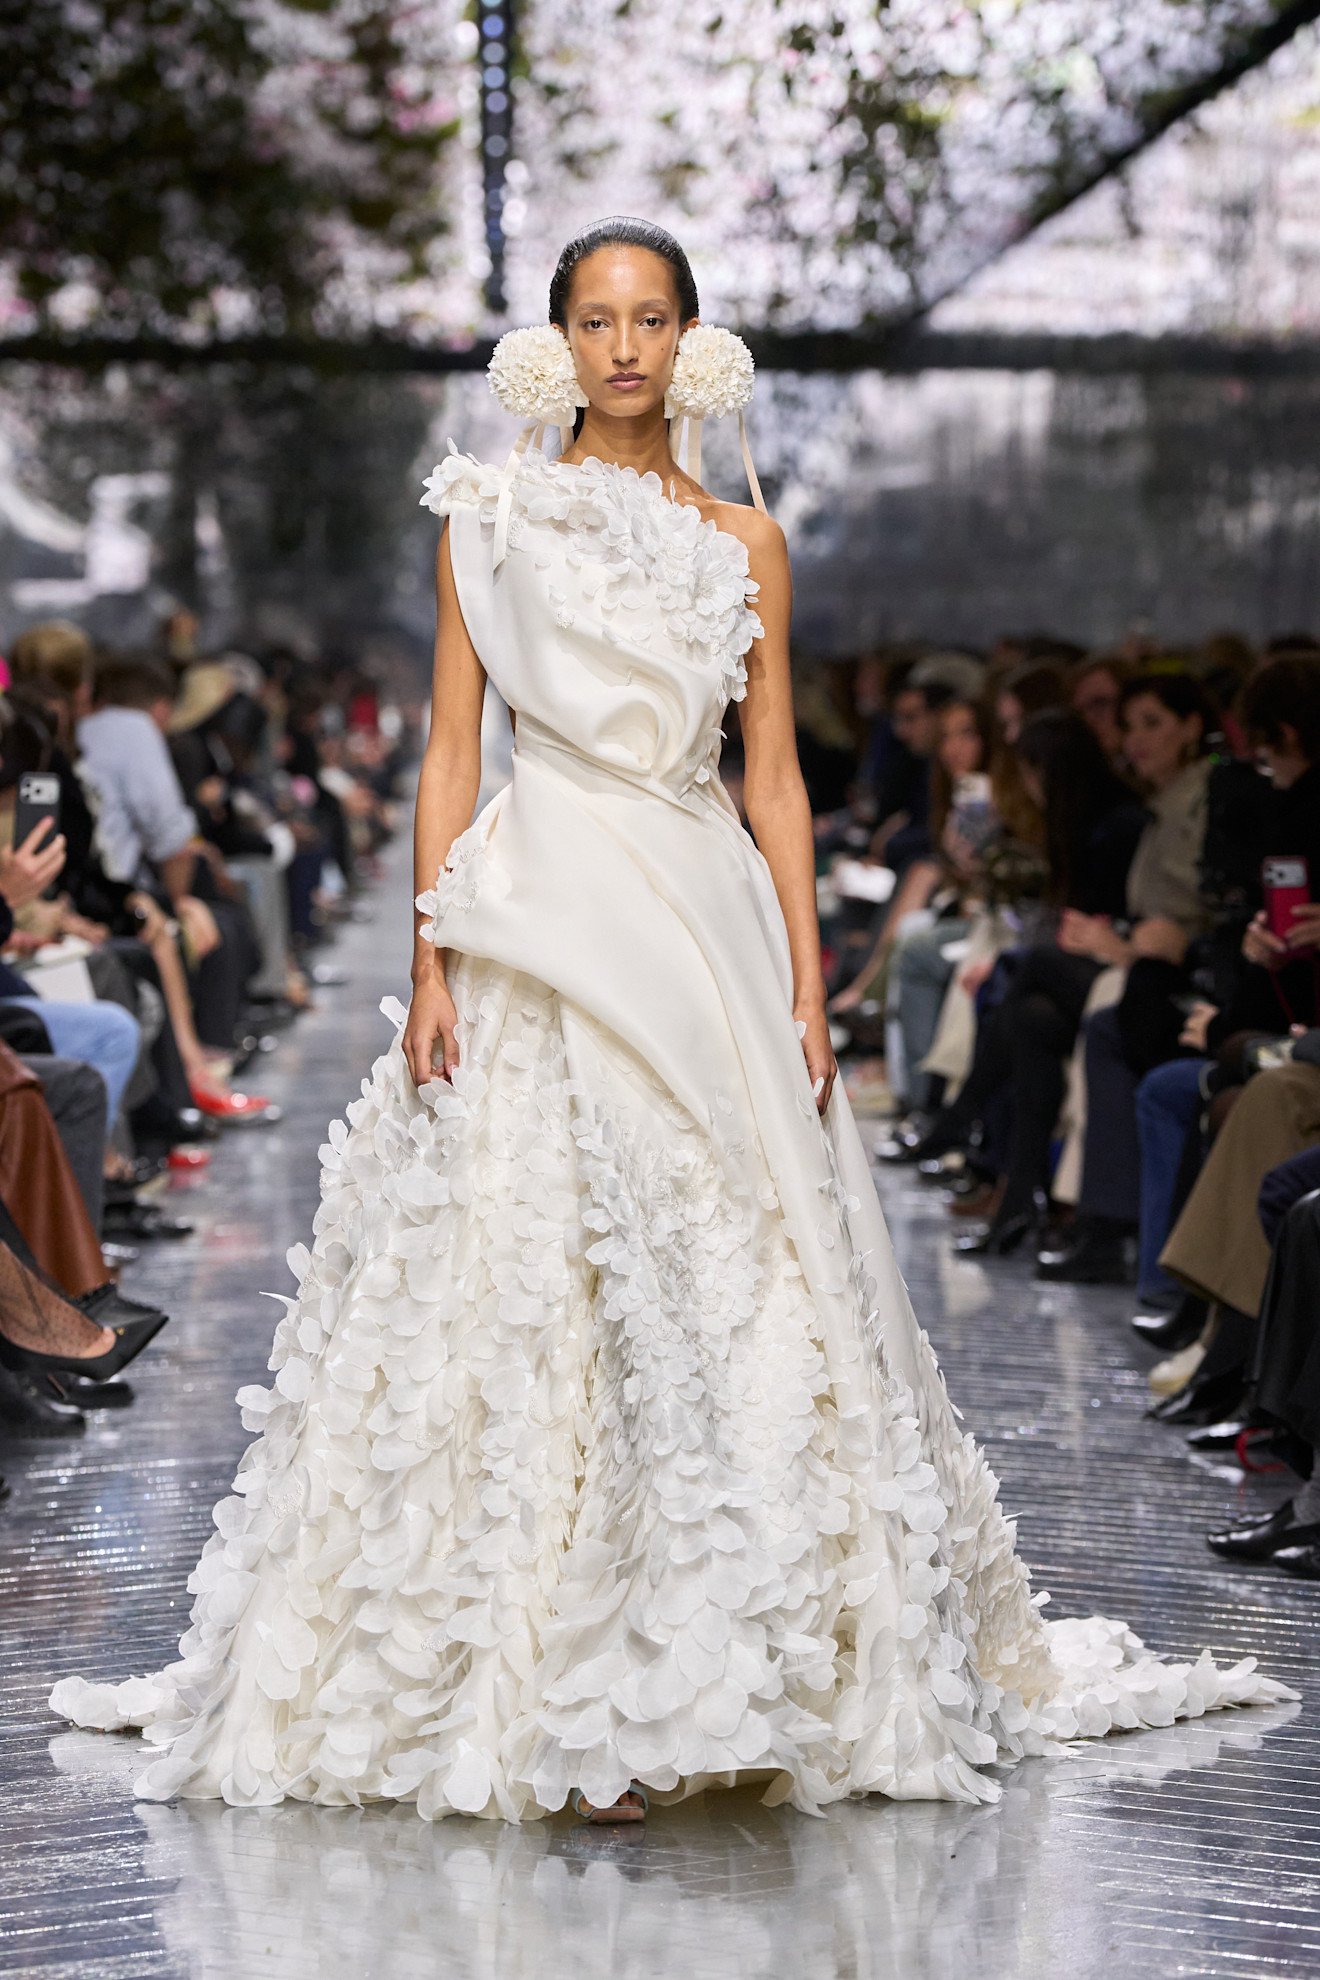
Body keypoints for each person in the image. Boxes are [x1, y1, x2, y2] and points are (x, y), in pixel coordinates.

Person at [49, 217, 1290, 1826]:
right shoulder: (488, 515)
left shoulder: (745, 540)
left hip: (701, 919)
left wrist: (807, 975)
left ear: (692, 339)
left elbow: (773, 778)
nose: (624, 347)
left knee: (727, 1261)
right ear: (557, 341)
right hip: (537, 908)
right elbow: (450, 754)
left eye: (650, 319)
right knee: (535, 1267)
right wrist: (431, 961)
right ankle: (553, 1671)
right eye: (596, 319)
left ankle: (706, 1656)